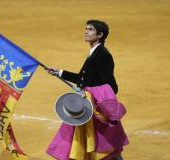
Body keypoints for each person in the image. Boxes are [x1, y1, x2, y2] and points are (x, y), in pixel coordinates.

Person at [46, 20, 129, 160]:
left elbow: (111, 85)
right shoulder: (94, 52)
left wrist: (96, 98)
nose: (86, 31)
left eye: (90, 29)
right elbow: (83, 78)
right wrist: (59, 72)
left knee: (103, 144)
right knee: (99, 143)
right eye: (86, 28)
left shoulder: (102, 54)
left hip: (95, 107)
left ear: (100, 34)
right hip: (89, 104)